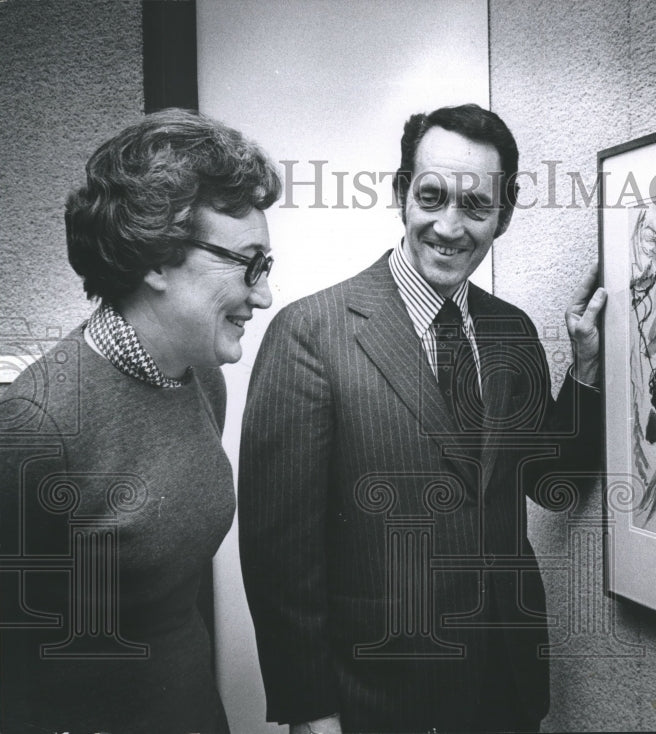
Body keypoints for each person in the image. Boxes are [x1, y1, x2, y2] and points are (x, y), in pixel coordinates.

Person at [239, 103, 606, 733]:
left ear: (505, 215)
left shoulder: (511, 332)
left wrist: (586, 372)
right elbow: (280, 562)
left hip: (505, 691)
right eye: (431, 197)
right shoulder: (310, 334)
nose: (449, 225)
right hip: (379, 699)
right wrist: (310, 711)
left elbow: (552, 484)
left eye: (476, 207)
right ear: (401, 193)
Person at [0, 108, 281, 733]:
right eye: (247, 263)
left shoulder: (200, 375)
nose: (262, 294)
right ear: (156, 260)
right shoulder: (35, 426)